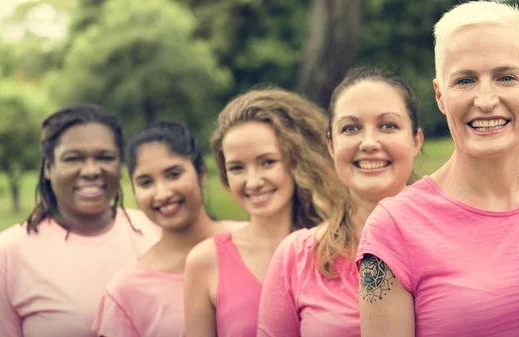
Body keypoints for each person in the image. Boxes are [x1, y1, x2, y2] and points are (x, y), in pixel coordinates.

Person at [357, 2, 519, 337]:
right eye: (465, 80)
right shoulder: (393, 229)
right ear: (441, 96)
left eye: (506, 77)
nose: (485, 100)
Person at [256, 67, 424, 337]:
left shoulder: (453, 240)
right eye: (351, 128)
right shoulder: (297, 257)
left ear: (416, 140)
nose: (369, 142)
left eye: (387, 125)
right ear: (331, 146)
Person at [183, 88, 345, 337]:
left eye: (267, 162)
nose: (253, 181)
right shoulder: (204, 262)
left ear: (297, 161)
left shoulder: (340, 247)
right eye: (237, 168)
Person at [0, 104, 161, 337]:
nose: (91, 170)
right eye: (73, 158)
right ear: (48, 168)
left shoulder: (157, 233)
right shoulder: (8, 253)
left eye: (105, 157)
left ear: (120, 165)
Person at [92, 121, 245, 337]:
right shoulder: (126, 292)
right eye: (146, 183)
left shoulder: (255, 242)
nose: (162, 193)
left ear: (201, 174)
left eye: (173, 174)